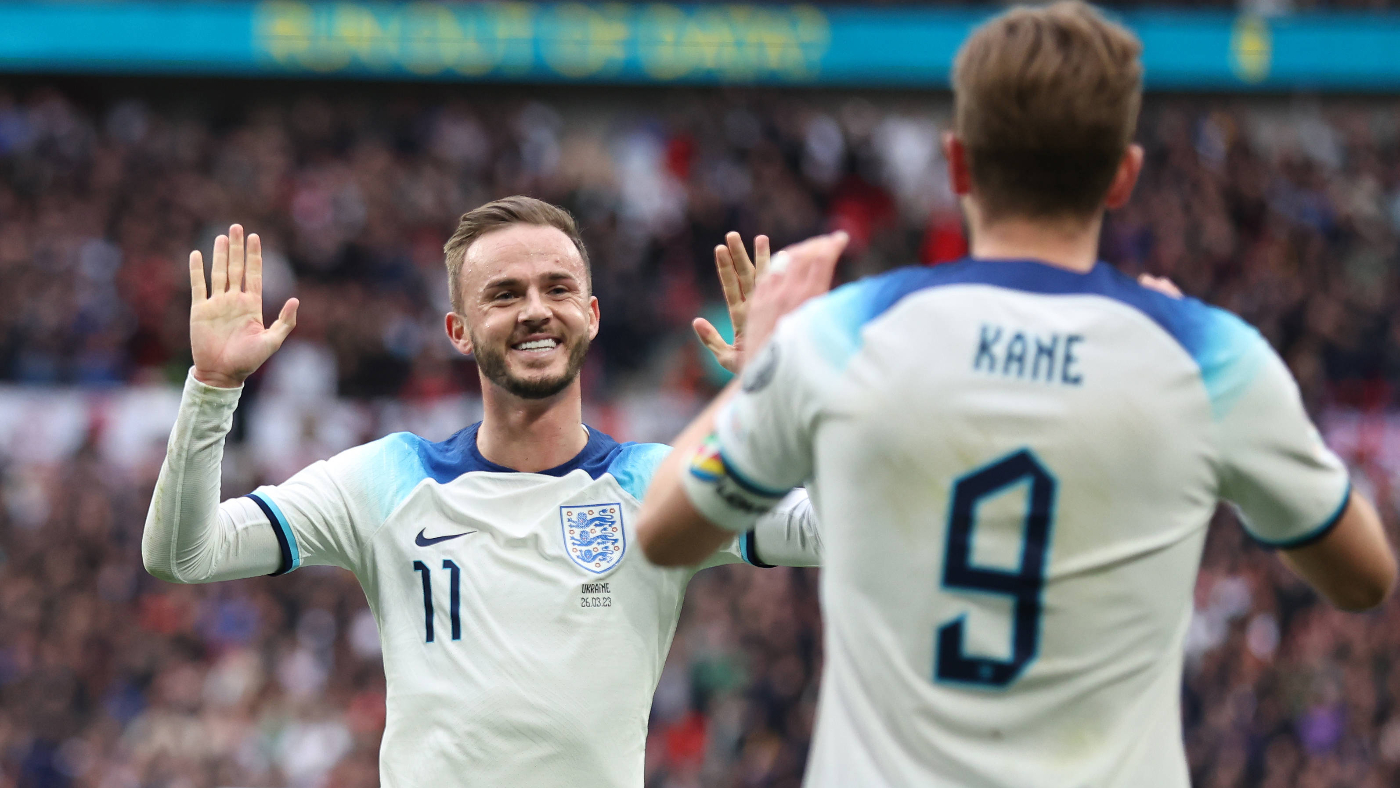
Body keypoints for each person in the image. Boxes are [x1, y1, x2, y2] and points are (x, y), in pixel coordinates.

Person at [634, 3, 1398, 787]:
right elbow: (1364, 577)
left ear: (958, 163)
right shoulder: (1210, 358)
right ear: (1124, 174)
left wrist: (765, 367)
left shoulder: (840, 337)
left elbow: (663, 531)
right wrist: (1221, 406)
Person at [141, 196, 821, 787]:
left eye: (557, 289)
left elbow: (830, 531)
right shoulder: (386, 480)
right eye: (504, 294)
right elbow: (184, 555)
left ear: (591, 315)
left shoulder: (660, 486)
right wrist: (213, 389)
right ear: (458, 331)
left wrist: (796, 388)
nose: (535, 311)